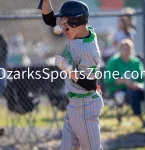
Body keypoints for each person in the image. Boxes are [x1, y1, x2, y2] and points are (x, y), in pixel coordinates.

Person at [41, 0, 104, 150]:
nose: (63, 27)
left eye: (66, 23)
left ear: (77, 21)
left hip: (85, 105)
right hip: (74, 103)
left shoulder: (88, 50)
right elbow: (49, 19)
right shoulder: (80, 31)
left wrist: (67, 67)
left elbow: (89, 84)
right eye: (62, 22)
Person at [104, 39, 145, 127]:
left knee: (143, 93)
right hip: (118, 89)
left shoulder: (136, 61)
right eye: (125, 48)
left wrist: (137, 85)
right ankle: (142, 120)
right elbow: (108, 79)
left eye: (129, 48)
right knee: (133, 95)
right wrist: (125, 81)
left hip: (136, 88)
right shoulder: (114, 61)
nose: (127, 50)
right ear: (120, 49)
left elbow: (142, 77)